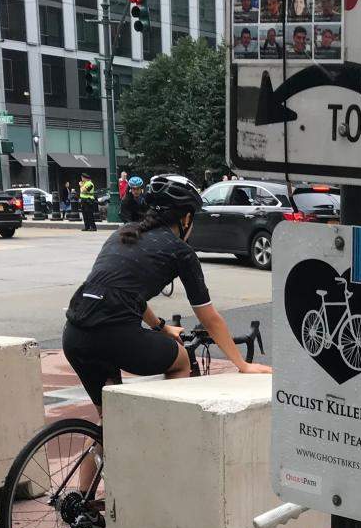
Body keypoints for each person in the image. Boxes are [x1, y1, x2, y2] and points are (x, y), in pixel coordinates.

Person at [62, 174, 271, 430]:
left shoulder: (123, 233)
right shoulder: (180, 251)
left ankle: (100, 464)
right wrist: (242, 364)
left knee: (107, 428)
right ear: (186, 218)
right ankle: (165, 433)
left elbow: (126, 293)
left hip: (74, 334)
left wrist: (161, 327)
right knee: (181, 359)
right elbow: (209, 317)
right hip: (113, 335)